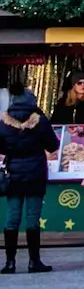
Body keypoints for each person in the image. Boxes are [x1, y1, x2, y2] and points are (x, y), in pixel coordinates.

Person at [0, 89, 58, 273]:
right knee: (33, 217)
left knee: (12, 217)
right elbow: (53, 145)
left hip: (13, 174)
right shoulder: (40, 121)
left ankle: (10, 263)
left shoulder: (3, 121)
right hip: (35, 173)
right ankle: (34, 262)